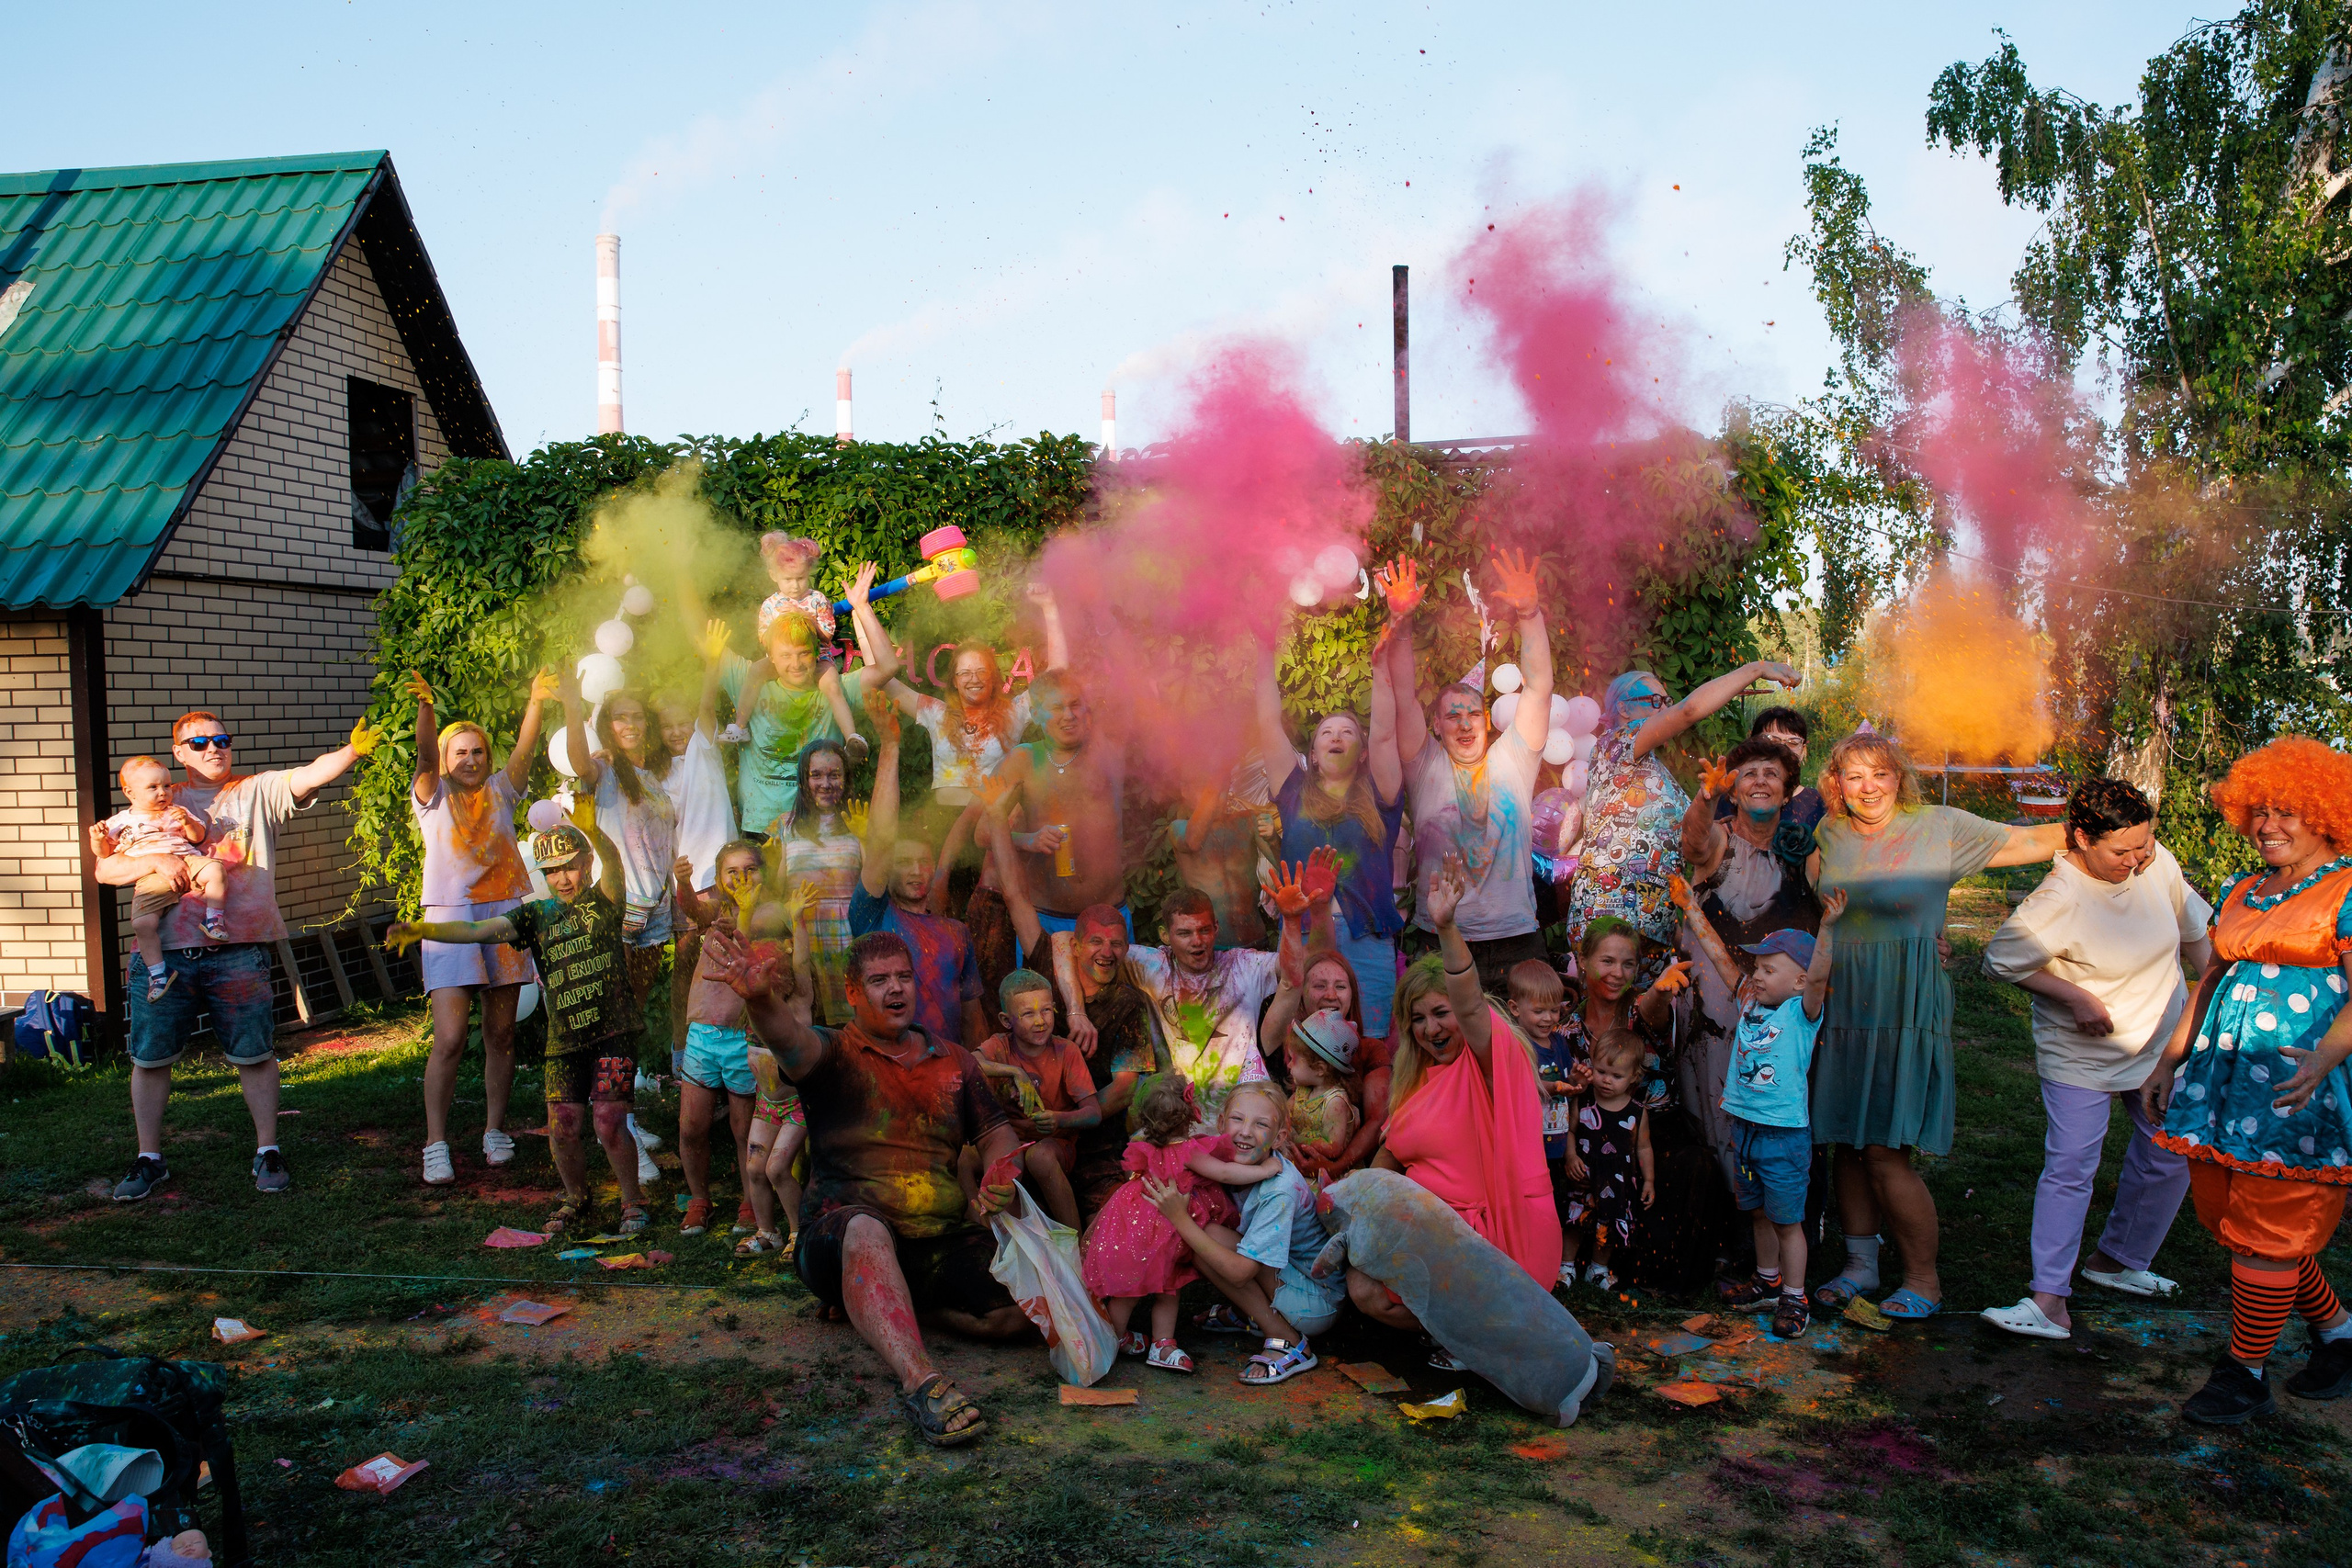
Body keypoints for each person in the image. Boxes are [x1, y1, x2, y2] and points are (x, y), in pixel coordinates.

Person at [709, 925, 1033, 1449]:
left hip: (937, 1242)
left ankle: (895, 1309)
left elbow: (998, 1136)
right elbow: (788, 1041)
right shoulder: (832, 1052)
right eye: (879, 980)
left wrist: (1001, 1173)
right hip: (838, 1239)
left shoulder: (954, 1060)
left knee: (1026, 1312)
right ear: (853, 994)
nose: (896, 989)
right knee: (864, 1227)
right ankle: (922, 1382)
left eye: (904, 977)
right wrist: (760, 997)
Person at [1806, 731, 2065, 1322]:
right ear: (1836, 784)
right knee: (1844, 1141)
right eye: (1853, 776)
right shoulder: (1829, 833)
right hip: (1844, 1000)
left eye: (1879, 774)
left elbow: (2032, 841)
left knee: (1884, 1148)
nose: (1867, 787)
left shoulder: (1940, 826)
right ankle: (1859, 1266)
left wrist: (2110, 828)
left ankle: (1924, 1279)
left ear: (1900, 776)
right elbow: (1818, 899)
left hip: (1904, 1001)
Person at [2142, 738, 2352, 1423]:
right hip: (2222, 1079)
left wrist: (2323, 1058)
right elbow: (2211, 977)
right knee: (2241, 1222)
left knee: (2271, 1225)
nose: (2269, 825)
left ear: (2326, 813)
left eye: (2287, 810)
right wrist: (2170, 1058)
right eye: (2259, 810)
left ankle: (2244, 1372)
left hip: (2297, 1086)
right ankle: (2340, 1335)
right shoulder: (2242, 887)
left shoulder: (2347, 890)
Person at [96, 707, 383, 1201]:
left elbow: (311, 773)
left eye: (222, 739)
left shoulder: (256, 791)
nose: (215, 749)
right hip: (164, 952)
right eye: (201, 743)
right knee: (151, 1059)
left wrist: (354, 750)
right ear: (179, 753)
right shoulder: (156, 796)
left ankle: (267, 1150)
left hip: (238, 948)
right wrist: (158, 858)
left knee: (254, 1054)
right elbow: (105, 871)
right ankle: (149, 1159)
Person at [1979, 779, 2211, 1340]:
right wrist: (2075, 996)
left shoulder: (2156, 864)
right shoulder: (2055, 902)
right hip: (2082, 1056)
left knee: (2169, 1154)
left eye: (2144, 845)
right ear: (2082, 838)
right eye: (2122, 851)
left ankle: (2117, 1261)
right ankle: (2049, 1300)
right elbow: (1999, 963)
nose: (2136, 861)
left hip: (2158, 1044)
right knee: (2070, 1170)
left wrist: (2210, 1001)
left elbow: (2198, 942)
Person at [388, 818, 653, 1236]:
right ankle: (576, 1197)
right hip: (564, 1042)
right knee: (562, 1125)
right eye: (550, 871)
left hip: (613, 1034)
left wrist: (593, 829)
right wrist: (424, 929)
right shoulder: (536, 915)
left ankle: (632, 1199)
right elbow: (478, 929)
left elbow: (616, 862)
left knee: (607, 1120)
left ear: (586, 864)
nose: (561, 879)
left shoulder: (605, 900)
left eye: (569, 867)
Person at [1345, 854, 1563, 1360]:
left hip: (1493, 1237)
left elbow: (1468, 1003)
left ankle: (1479, 1337)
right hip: (1428, 1236)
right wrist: (1360, 1210)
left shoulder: (1487, 1063)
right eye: (1417, 1019)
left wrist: (1446, 928)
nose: (1431, 1028)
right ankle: (1465, 1338)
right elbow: (1390, 1161)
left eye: (1439, 1013)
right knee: (1362, 1287)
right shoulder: (1416, 1081)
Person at [1377, 549, 1555, 992]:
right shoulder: (1425, 767)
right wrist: (1399, 626)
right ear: (1436, 725)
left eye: (1472, 714)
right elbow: (1402, 694)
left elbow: (1539, 687)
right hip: (1439, 940)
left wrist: (1530, 614)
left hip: (1515, 943)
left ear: (1487, 720)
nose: (1463, 724)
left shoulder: (1513, 759)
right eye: (1452, 716)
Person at [405, 667, 550, 1186]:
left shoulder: (503, 791)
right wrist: (427, 711)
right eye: (459, 752)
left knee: (502, 1034)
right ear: (446, 760)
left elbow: (526, 755)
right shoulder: (432, 795)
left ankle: (494, 1131)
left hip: (505, 918)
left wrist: (535, 702)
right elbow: (423, 756)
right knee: (448, 1039)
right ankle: (435, 1142)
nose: (470, 760)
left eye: (478, 751)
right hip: (450, 917)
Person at [983, 809, 1166, 1218]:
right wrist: (996, 818)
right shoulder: (1046, 969)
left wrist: (1069, 1119)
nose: (1106, 952)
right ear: (1075, 946)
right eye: (1096, 942)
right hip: (1032, 1132)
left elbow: (1123, 1088)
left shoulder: (1128, 1003)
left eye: (1116, 944)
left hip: (1096, 1139)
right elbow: (1015, 896)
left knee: (1114, 1222)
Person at [1565, 658, 1803, 969]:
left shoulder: (1656, 772)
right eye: (1654, 701)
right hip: (1610, 921)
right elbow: (1689, 710)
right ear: (1623, 709)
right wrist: (1755, 669)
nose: (1665, 709)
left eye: (1667, 701)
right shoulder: (1614, 746)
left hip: (1652, 929)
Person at [1684, 895, 1846, 1338]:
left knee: (1788, 1221)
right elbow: (1720, 958)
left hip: (1784, 1137)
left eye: (1768, 970)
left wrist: (1828, 927)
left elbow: (1820, 975)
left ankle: (1795, 1297)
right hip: (1746, 1132)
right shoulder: (1750, 1003)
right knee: (1757, 1214)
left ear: (1799, 981)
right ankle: (1768, 1281)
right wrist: (1691, 909)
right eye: (1756, 968)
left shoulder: (1802, 1013)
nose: (1756, 975)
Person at [1256, 606, 1408, 1036]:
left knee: (1370, 1049)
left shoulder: (1380, 795)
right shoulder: (1292, 791)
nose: (1337, 737)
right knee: (1305, 1049)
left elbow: (1383, 733)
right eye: (1327, 732)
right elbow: (1268, 724)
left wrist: (1381, 670)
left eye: (1347, 733)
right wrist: (1264, 649)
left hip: (1367, 945)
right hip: (1303, 936)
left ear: (1361, 753)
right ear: (1314, 753)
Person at [1143, 1080, 1346, 1385]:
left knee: (1199, 1237)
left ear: (1279, 1139)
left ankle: (1287, 1338)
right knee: (1202, 1235)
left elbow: (1240, 1272)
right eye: (1237, 1119)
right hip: (1284, 1275)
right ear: (1221, 1123)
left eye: (1261, 1124)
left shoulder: (1279, 1191)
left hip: (1314, 1300)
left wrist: (1180, 1219)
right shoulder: (1223, 1159)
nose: (1246, 1131)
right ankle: (1249, 1311)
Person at [1080, 1074, 1281, 1372]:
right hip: (1164, 1229)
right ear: (1190, 1114)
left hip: (1137, 1225)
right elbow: (1226, 1173)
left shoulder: (1149, 1146)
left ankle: (1129, 1339)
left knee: (1132, 1292)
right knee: (1165, 1289)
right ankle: (1135, 1343)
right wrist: (1266, 1169)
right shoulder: (1188, 1152)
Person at [719, 562, 897, 840]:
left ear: (817, 653)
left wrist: (861, 607)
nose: (796, 664)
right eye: (786, 655)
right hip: (761, 829)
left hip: (820, 827)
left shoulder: (835, 687)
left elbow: (888, 667)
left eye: (803, 653)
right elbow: (699, 638)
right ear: (771, 656)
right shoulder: (750, 683)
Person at [848, 692, 986, 1047]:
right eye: (903, 862)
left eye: (923, 861)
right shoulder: (871, 917)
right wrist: (890, 746)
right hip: (888, 1066)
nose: (915, 870)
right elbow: (880, 842)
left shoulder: (956, 933)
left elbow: (972, 1016)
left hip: (948, 1072)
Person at [670, 841, 787, 1238]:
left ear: (764, 874)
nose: (741, 879)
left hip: (742, 1036)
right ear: (719, 879)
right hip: (703, 1031)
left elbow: (749, 941)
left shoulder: (769, 914)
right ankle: (698, 1199)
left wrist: (746, 911)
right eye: (731, 872)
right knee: (690, 1126)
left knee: (742, 1129)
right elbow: (692, 910)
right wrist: (682, 883)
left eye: (750, 870)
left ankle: (750, 1201)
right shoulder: (716, 911)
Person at [1082, 888, 1280, 1123]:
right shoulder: (1153, 966)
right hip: (1174, 1120)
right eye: (1184, 933)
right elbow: (1067, 943)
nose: (1197, 941)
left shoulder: (1244, 966)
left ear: (1216, 928)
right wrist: (1076, 1012)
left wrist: (1297, 918)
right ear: (1165, 935)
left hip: (1237, 1120)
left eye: (1204, 930)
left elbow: (1295, 970)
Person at [884, 582, 1069, 808]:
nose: (974, 679)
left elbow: (1057, 674)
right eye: (965, 673)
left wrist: (1049, 607)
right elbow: (885, 680)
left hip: (996, 821)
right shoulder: (937, 713)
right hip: (942, 822)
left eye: (982, 671)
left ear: (993, 678)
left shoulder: (1012, 713)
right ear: (954, 680)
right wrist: (861, 612)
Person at [990, 668, 1130, 942]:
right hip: (1046, 920)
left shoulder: (1107, 750)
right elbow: (983, 833)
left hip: (1109, 919)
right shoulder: (1024, 761)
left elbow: (1129, 682)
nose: (1069, 715)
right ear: (1036, 716)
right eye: (1056, 707)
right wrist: (1029, 840)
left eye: (1075, 704)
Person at [662, 622, 742, 1077]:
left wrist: (713, 660)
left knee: (728, 959)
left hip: (722, 875)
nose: (677, 731)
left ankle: (728, 1046)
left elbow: (708, 706)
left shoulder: (702, 746)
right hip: (686, 880)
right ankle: (683, 1053)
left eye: (681, 722)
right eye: (668, 726)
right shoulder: (656, 774)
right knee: (687, 966)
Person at [974, 969, 1101, 1230]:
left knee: (1039, 1156)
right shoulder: (1001, 1047)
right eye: (1028, 1014)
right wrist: (1014, 1072)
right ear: (1006, 1020)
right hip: (1011, 1143)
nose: (1040, 1021)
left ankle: (1073, 1240)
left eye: (1045, 1011)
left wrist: (1058, 1120)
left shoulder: (1066, 1051)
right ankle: (982, 1224)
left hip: (1055, 1144)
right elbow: (970, 1063)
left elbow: (1093, 1113)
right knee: (971, 1158)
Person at [1261, 938, 1394, 1180]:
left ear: (1352, 995)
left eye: (1341, 987)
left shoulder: (1371, 1049)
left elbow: (1377, 1121)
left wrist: (1335, 1167)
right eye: (1320, 986)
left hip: (1342, 1170)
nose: (1331, 995)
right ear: (1302, 996)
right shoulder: (1285, 1041)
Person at [106, 757, 226, 998]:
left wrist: (188, 822)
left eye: (167, 786)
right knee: (142, 924)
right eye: (153, 787)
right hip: (152, 877)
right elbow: (105, 855)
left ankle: (214, 919)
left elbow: (196, 837)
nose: (163, 793)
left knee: (215, 870)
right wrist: (98, 839)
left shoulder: (175, 812)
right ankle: (159, 973)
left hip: (187, 860)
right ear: (130, 792)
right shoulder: (121, 822)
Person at [750, 535, 866, 761]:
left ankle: (851, 736)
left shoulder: (817, 600)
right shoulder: (771, 605)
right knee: (754, 672)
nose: (795, 586)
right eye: (788, 579)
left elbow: (826, 636)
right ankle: (739, 725)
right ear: (774, 575)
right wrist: (779, 628)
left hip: (816, 659)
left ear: (809, 572)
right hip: (781, 661)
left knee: (833, 686)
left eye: (801, 578)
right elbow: (763, 637)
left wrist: (808, 620)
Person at [1504, 958, 1585, 1282]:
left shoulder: (1560, 1043)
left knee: (1555, 1210)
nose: (1548, 1018)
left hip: (1556, 1145)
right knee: (1527, 1212)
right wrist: (1549, 1087)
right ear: (1514, 1008)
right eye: (1539, 1011)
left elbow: (1568, 1099)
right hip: (1526, 1150)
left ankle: (1550, 1269)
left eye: (1554, 1010)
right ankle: (1522, 1269)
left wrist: (1577, 1078)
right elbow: (1515, 1088)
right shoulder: (1515, 1045)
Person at [1559, 1031, 1655, 1292]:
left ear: (1634, 1077)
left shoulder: (1637, 1111)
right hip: (1585, 1175)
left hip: (1617, 1180)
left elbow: (1644, 1147)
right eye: (1601, 1072)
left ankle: (1597, 1268)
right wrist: (1571, 1155)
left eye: (1616, 1076)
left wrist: (1649, 1180)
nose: (1606, 1081)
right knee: (1575, 1220)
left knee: (1609, 1225)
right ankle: (1565, 1266)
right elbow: (1570, 1130)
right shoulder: (1585, 1100)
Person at [780, 738, 864, 1027]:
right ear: (804, 780)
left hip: (848, 941)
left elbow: (878, 883)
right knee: (807, 1026)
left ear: (845, 778)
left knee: (850, 1029)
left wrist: (867, 838)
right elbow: (779, 891)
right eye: (816, 775)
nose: (825, 783)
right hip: (803, 942)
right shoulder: (786, 825)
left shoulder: (859, 821)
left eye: (834, 774)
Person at [1170, 762, 1276, 951]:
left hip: (1255, 943)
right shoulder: (1179, 828)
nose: (1217, 796)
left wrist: (1274, 839)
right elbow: (1193, 841)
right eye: (1206, 788)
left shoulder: (1247, 822)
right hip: (1212, 948)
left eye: (1222, 787)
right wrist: (1217, 777)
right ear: (1185, 791)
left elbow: (1285, 865)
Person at [1713, 707, 1826, 830]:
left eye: (1793, 742)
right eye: (1772, 740)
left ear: (1804, 750)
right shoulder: (1731, 797)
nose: (1783, 748)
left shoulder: (1818, 803)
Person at [1283, 1009, 1361, 1152]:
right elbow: (1283, 1114)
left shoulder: (1334, 1102)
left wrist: (1295, 1137)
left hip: (1323, 1171)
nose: (1288, 1065)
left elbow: (1333, 1147)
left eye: (1293, 1060)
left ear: (1319, 1069)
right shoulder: (1304, 1091)